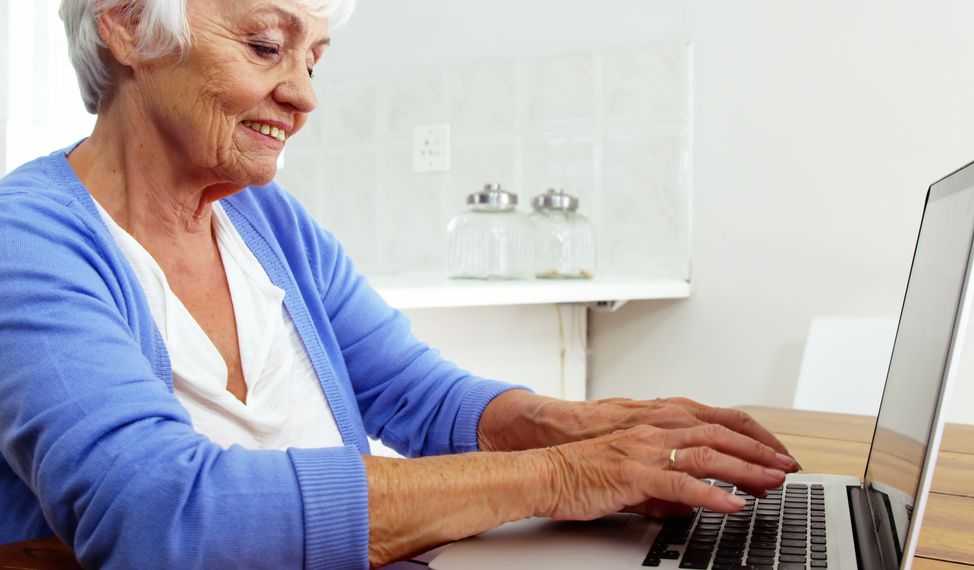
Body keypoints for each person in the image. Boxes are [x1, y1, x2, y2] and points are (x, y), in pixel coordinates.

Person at [0, 0, 800, 568]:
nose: (305, 96)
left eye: (312, 59)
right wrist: (565, 476)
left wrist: (589, 431)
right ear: (130, 26)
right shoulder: (25, 239)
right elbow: (162, 518)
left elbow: (419, 395)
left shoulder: (267, 223)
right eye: (265, 46)